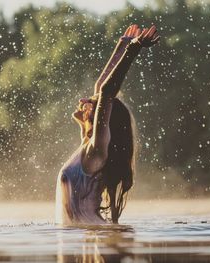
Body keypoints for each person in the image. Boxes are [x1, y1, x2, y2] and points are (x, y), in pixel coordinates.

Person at [55, 24, 160, 225]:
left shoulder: (97, 151)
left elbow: (106, 92)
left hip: (91, 234)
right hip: (84, 240)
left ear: (100, 117)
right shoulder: (88, 146)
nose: (84, 100)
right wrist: (122, 45)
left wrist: (133, 48)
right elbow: (100, 88)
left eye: (91, 103)